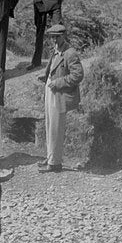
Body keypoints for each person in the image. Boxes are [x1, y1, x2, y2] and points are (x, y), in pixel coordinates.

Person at [39, 24, 85, 173]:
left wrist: (58, 82)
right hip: (51, 91)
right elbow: (54, 69)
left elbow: (77, 75)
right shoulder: (56, 51)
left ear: (64, 36)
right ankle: (50, 157)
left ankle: (55, 163)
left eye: (57, 36)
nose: (54, 40)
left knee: (56, 128)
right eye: (52, 37)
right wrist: (45, 76)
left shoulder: (70, 53)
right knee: (49, 126)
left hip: (59, 94)